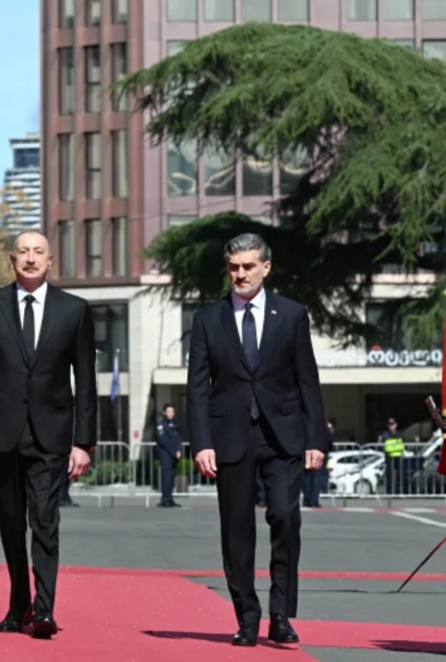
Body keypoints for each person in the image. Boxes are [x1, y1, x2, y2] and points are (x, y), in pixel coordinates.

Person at [187, 233, 327, 647]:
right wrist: (201, 442)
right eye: (234, 267)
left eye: (248, 266)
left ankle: (280, 613)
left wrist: (315, 438)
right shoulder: (207, 319)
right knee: (236, 529)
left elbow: (307, 379)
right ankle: (246, 616)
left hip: (282, 435)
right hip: (230, 436)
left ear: (266, 267)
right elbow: (197, 387)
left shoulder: (292, 315)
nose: (240, 274)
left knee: (285, 516)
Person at [0, 230, 95, 640]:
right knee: (11, 521)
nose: (30, 259)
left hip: (51, 433)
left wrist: (83, 442)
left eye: (38, 252)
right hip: (1, 431)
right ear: (12, 260)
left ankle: (45, 607)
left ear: (51, 260)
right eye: (23, 252)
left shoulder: (74, 310)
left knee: (46, 519)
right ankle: (19, 601)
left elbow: (86, 380)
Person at [156, 404, 183, 507]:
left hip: (174, 455)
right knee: (166, 477)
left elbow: (179, 439)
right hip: (166, 455)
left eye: (172, 411)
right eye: (168, 411)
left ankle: (170, 498)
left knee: (172, 477)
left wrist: (179, 450)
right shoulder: (161, 425)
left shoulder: (175, 425)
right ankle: (165, 499)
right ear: (164, 413)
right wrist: (174, 452)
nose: (171, 413)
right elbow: (163, 441)